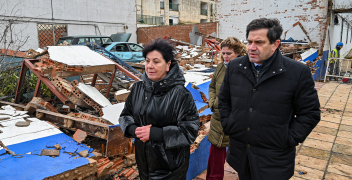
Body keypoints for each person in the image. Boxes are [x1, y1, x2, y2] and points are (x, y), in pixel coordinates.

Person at [218, 18, 320, 180]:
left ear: (275, 44)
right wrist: (229, 124)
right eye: (249, 41)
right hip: (242, 154)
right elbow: (224, 101)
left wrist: (289, 137)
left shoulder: (297, 73)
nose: (251, 47)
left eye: (259, 42)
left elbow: (310, 113)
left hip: (274, 158)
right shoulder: (235, 68)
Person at [119, 38, 199, 180]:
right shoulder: (138, 88)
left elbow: (189, 131)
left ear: (168, 65)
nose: (150, 66)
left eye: (156, 62)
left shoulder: (180, 94)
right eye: (147, 61)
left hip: (170, 169)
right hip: (144, 165)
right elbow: (126, 115)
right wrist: (133, 129)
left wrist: (156, 133)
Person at [206, 37, 247, 180]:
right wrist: (213, 103)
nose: (225, 56)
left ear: (238, 53)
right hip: (218, 116)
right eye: (223, 53)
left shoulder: (244, 70)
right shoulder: (220, 67)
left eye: (228, 53)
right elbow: (212, 86)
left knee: (242, 154)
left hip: (235, 118)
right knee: (216, 151)